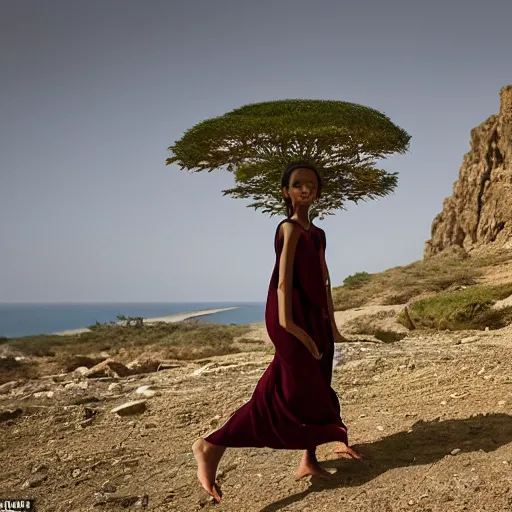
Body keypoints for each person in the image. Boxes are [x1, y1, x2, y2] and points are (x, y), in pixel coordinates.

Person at [192, 162, 369, 503]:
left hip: (315, 319)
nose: (306, 189)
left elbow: (325, 280)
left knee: (317, 385)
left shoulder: (318, 234)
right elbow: (283, 283)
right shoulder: (287, 228)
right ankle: (211, 444)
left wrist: (332, 326)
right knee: (284, 391)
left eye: (311, 184)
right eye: (298, 184)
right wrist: (291, 328)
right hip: (289, 318)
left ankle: (309, 458)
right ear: (286, 192)